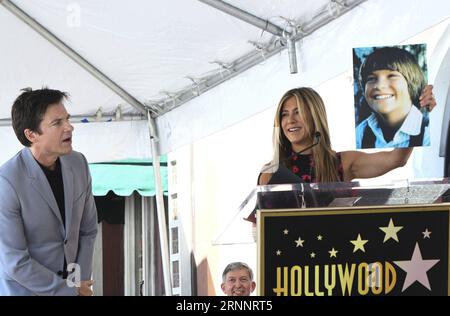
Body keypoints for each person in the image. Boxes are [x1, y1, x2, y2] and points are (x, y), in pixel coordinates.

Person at [0, 88, 98, 296]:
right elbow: (15, 261)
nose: (69, 127)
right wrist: (68, 291)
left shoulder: (79, 163)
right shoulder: (7, 181)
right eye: (57, 123)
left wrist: (77, 285)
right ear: (31, 134)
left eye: (67, 119)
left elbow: (87, 231)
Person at [257, 85, 435, 187]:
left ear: (315, 116)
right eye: (284, 114)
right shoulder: (270, 172)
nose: (290, 120)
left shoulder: (341, 163)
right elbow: (259, 231)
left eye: (298, 112)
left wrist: (417, 112)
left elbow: (396, 159)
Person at [355, 46, 430, 148]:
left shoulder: (429, 133)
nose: (379, 85)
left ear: (411, 83)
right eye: (371, 78)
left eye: (392, 76)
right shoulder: (361, 133)